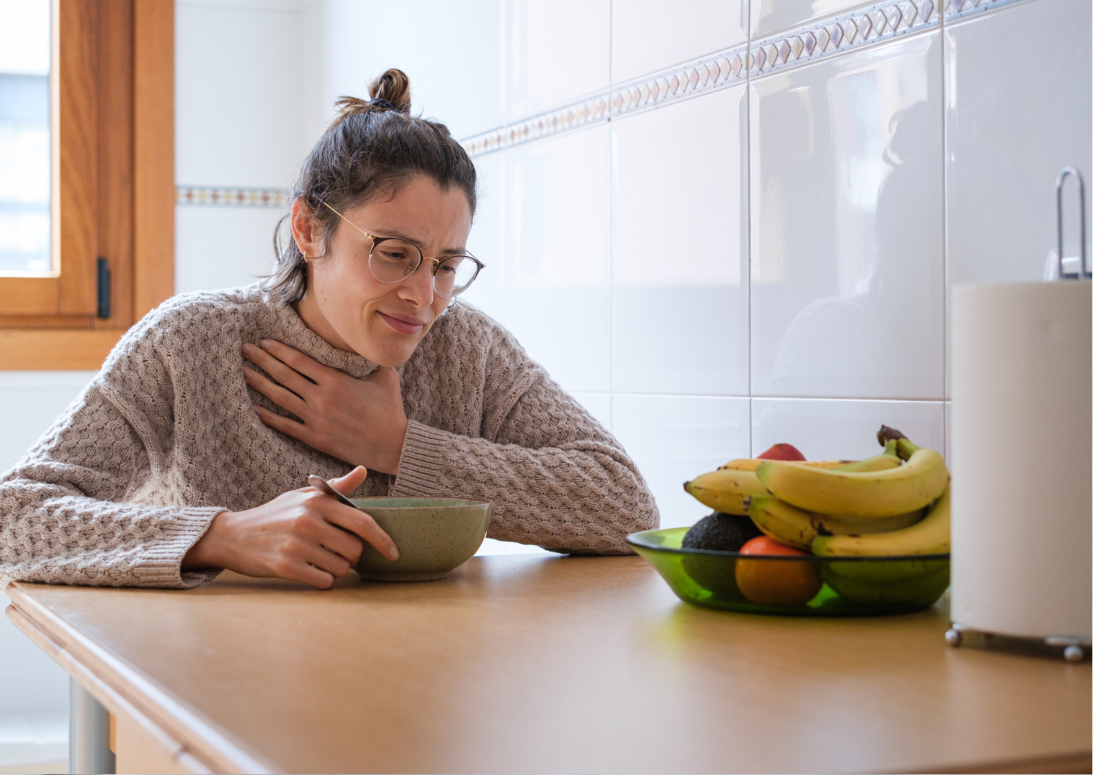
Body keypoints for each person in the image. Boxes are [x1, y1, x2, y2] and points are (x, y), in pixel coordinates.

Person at [0, 69, 659, 590]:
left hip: (417, 684)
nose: (424, 297)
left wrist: (401, 446)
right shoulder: (188, 343)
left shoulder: (466, 349)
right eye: (395, 253)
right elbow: (15, 518)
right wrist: (223, 536)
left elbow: (626, 506)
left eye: (447, 264)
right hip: (212, 690)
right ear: (310, 228)